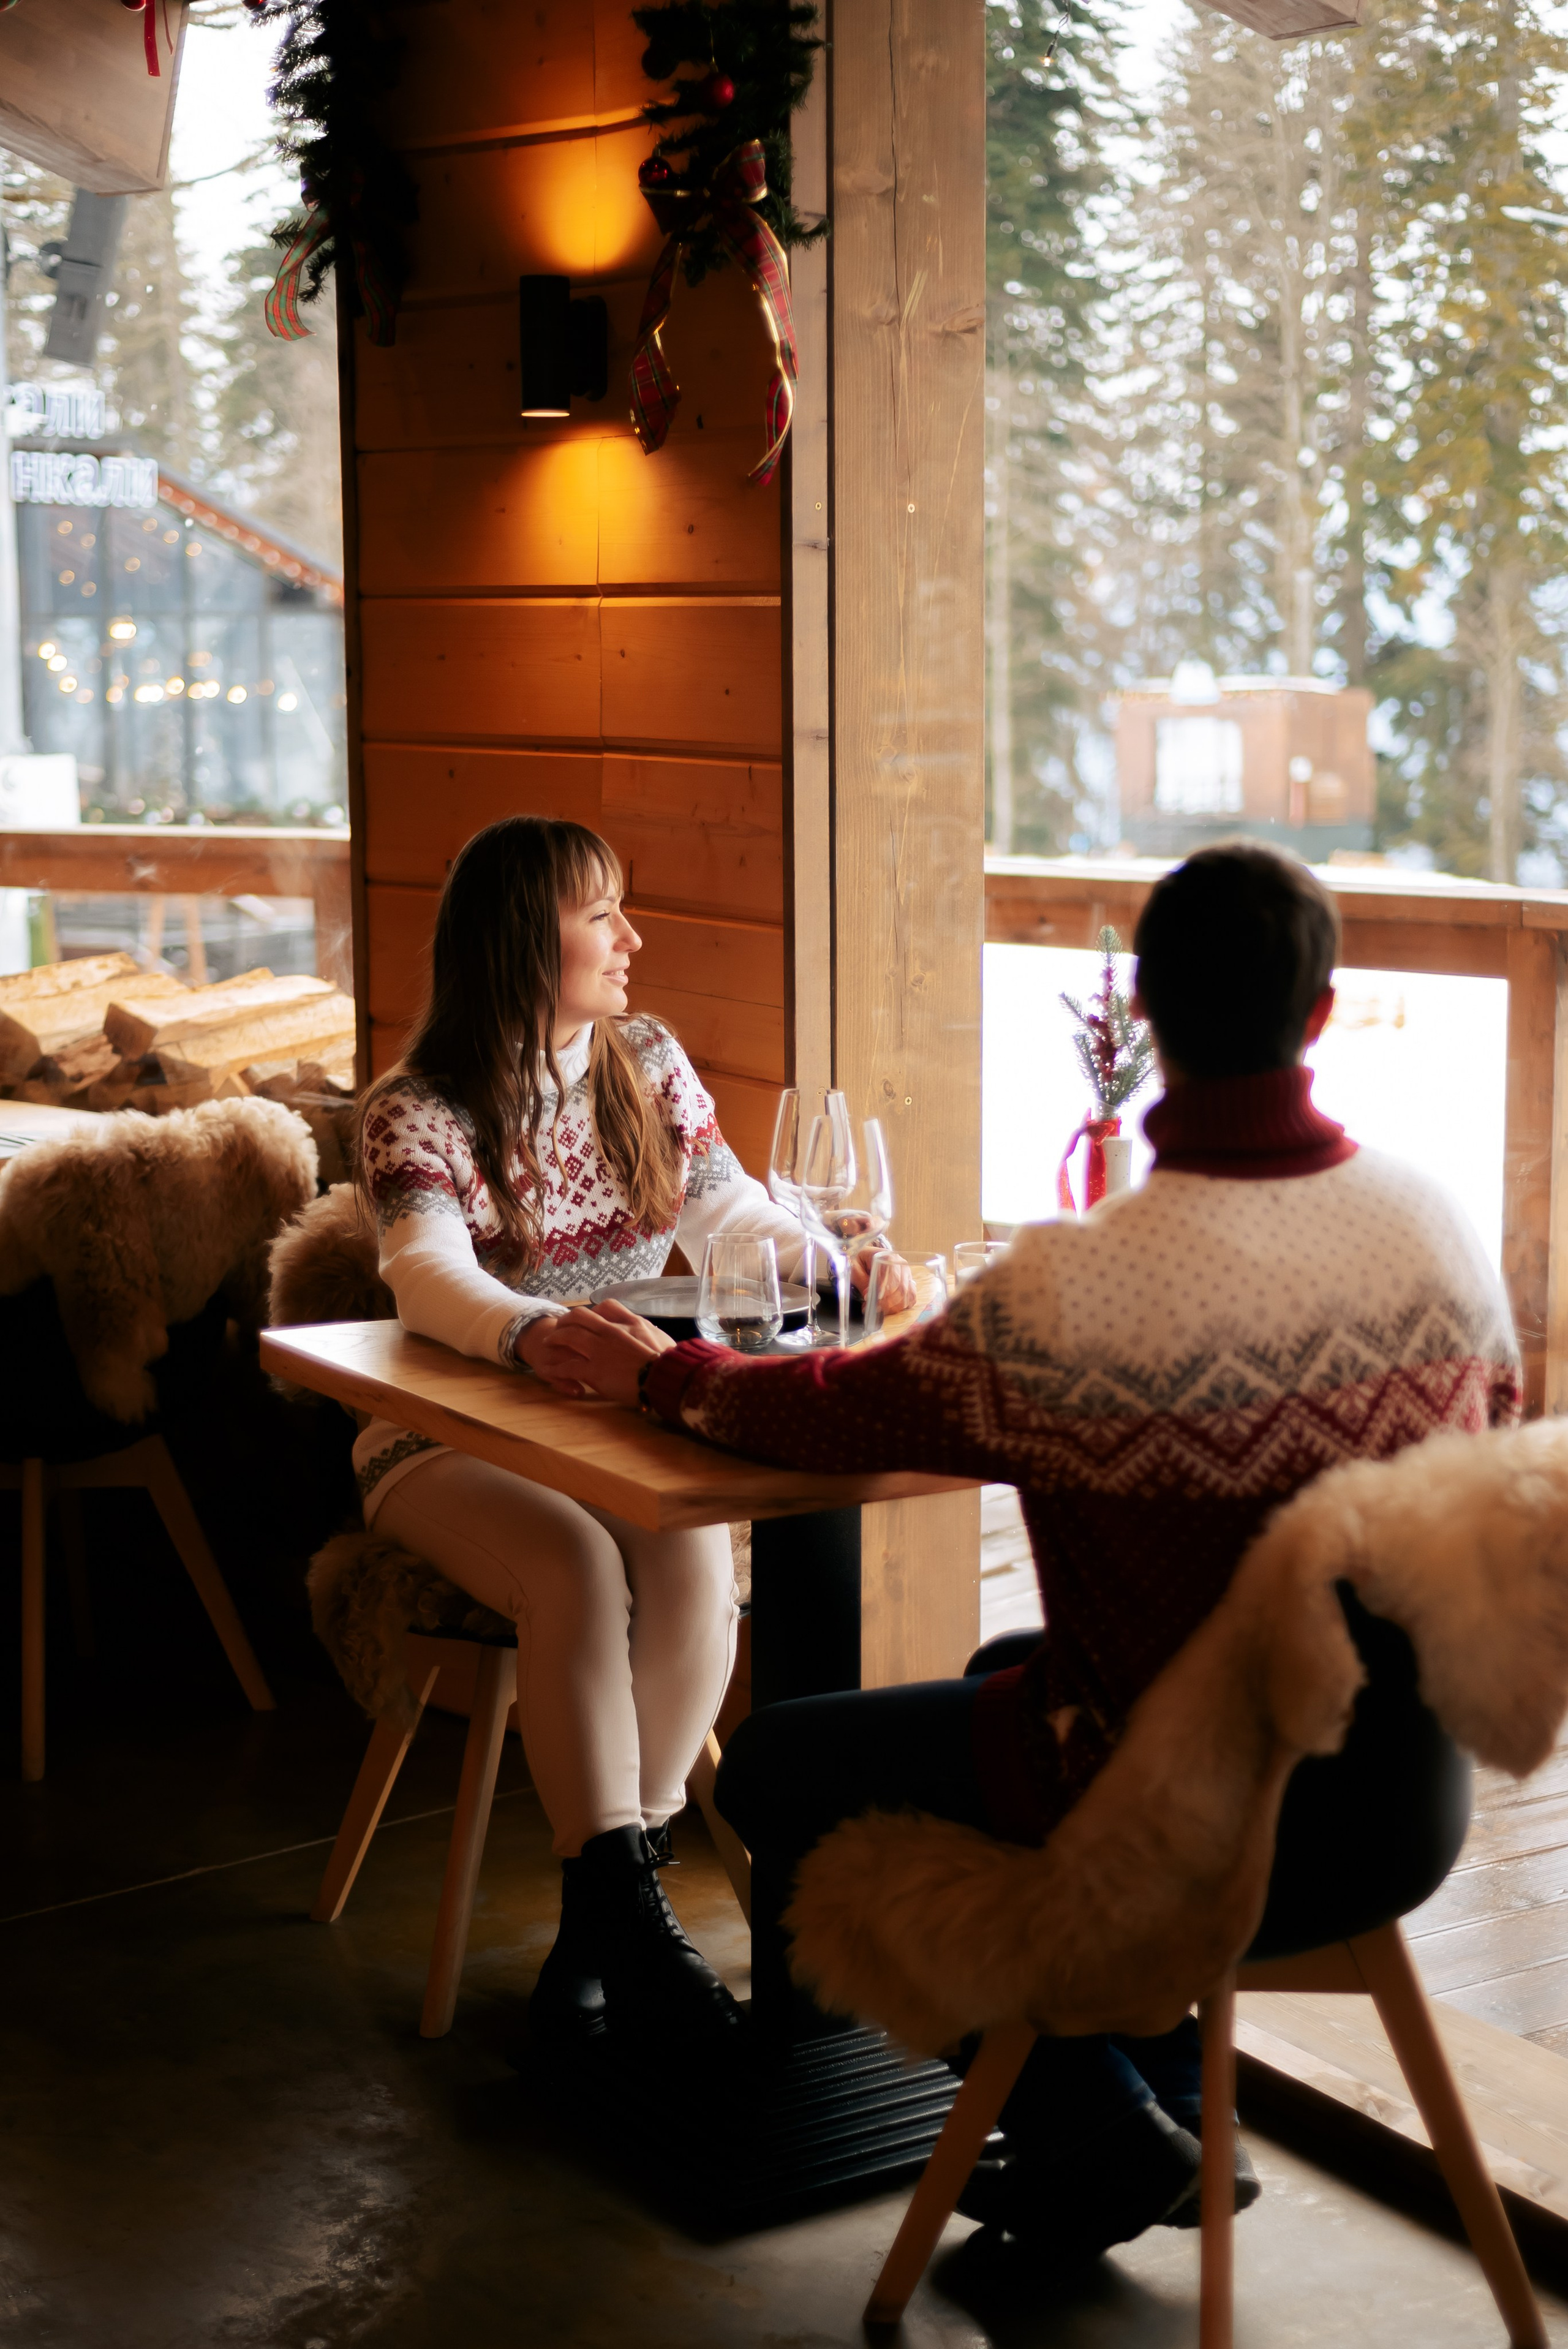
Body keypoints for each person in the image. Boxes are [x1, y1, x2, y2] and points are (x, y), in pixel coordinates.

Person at [541, 842, 1522, 2255]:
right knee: (1007, 1660)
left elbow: (828, 1410)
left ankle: (1091, 2116)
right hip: (1398, 1804)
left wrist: (661, 1373)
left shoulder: (1079, 1290)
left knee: (778, 1763)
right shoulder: (1436, 1231)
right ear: (1316, 1017)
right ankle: (1165, 2109)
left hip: (1175, 1826)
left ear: (1137, 1022)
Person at [352, 813, 815, 2052]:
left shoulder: (645, 1059)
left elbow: (729, 1217)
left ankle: (611, 1904)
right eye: (600, 912)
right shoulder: (416, 1108)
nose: (632, 937)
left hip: (597, 1433)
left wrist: (826, 1256)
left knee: (691, 1554)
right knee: (571, 1565)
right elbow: (424, 1273)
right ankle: (626, 1912)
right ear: (521, 939)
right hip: (435, 1441)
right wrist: (526, 1335)